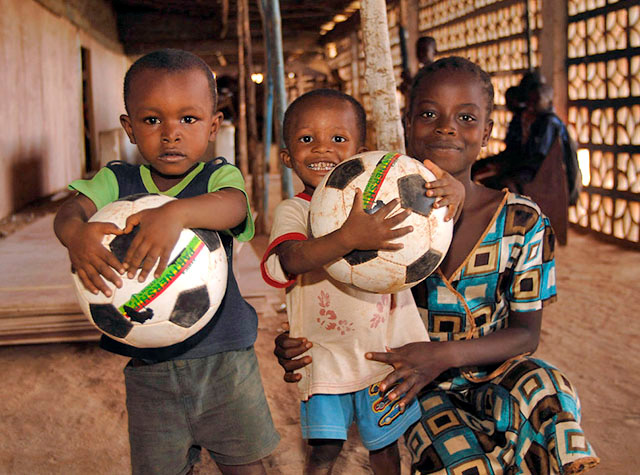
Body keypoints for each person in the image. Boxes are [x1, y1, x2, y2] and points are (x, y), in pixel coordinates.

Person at [275, 58, 599, 474]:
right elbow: (324, 289)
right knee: (457, 459)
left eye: (466, 117)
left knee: (547, 389)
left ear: (487, 130)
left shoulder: (522, 221)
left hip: (492, 368)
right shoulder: (366, 219)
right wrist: (300, 338)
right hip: (413, 383)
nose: (446, 127)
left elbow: (526, 334)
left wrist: (441, 354)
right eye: (429, 114)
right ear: (407, 124)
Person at [53, 49, 279, 475]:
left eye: (188, 119)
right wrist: (76, 235)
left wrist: (176, 213)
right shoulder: (114, 181)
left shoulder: (216, 178)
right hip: (148, 373)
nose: (171, 133)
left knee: (247, 466)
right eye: (153, 120)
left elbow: (233, 208)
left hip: (226, 363)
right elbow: (69, 212)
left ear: (214, 127)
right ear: (130, 127)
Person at [261, 88, 464, 474]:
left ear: (361, 152)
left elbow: (435, 215)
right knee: (322, 452)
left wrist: (455, 192)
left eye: (338, 139)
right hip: (321, 359)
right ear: (287, 157)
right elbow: (286, 261)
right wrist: (346, 239)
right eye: (307, 140)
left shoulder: (392, 200)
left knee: (385, 450)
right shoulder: (295, 210)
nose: (322, 150)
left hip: (383, 359)